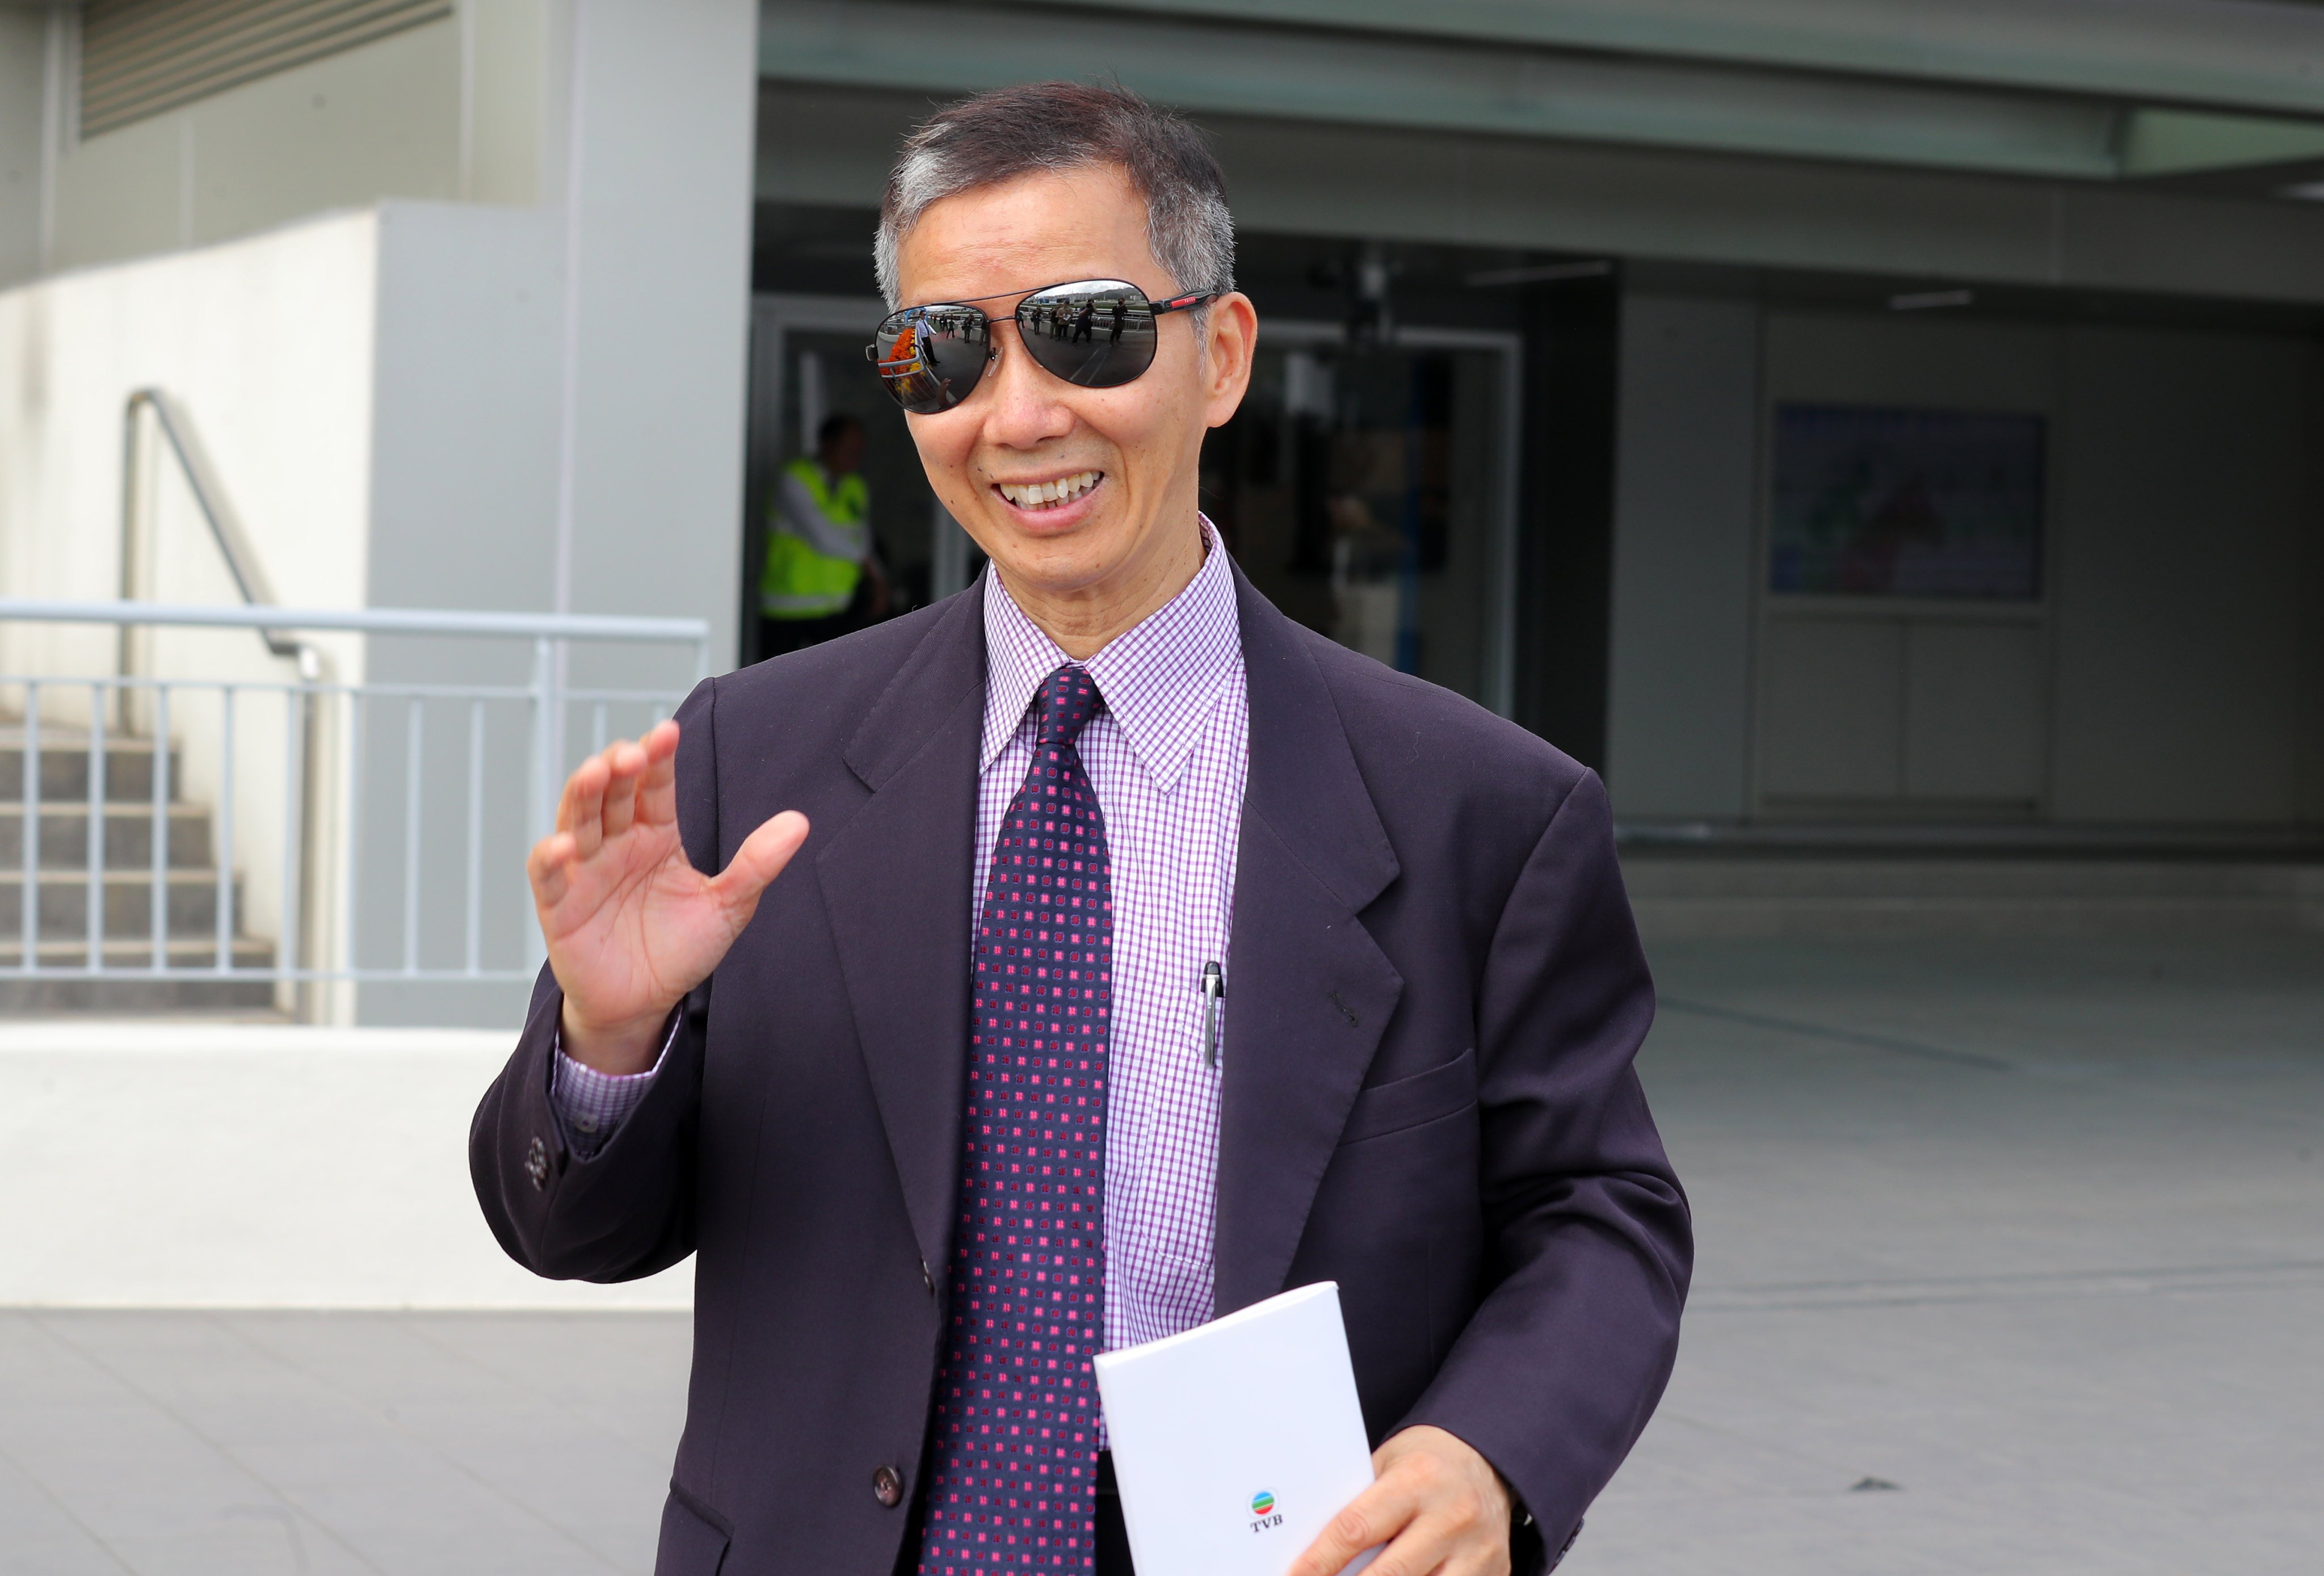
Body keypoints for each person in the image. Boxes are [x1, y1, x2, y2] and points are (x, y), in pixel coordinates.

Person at [473, 81, 1689, 1576]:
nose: (1021, 413)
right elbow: (574, 1231)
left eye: (1086, 330)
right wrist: (605, 1049)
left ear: (1219, 355)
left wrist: (1482, 1453)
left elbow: (1595, 1208)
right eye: (945, 356)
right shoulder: (751, 758)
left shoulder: (1479, 811)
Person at [759, 412, 889, 656]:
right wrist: (871, 569)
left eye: (859, 451)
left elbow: (863, 539)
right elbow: (823, 539)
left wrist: (878, 578)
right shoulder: (795, 479)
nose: (855, 458)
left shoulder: (855, 486)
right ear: (827, 444)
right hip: (788, 610)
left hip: (836, 609)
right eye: (848, 449)